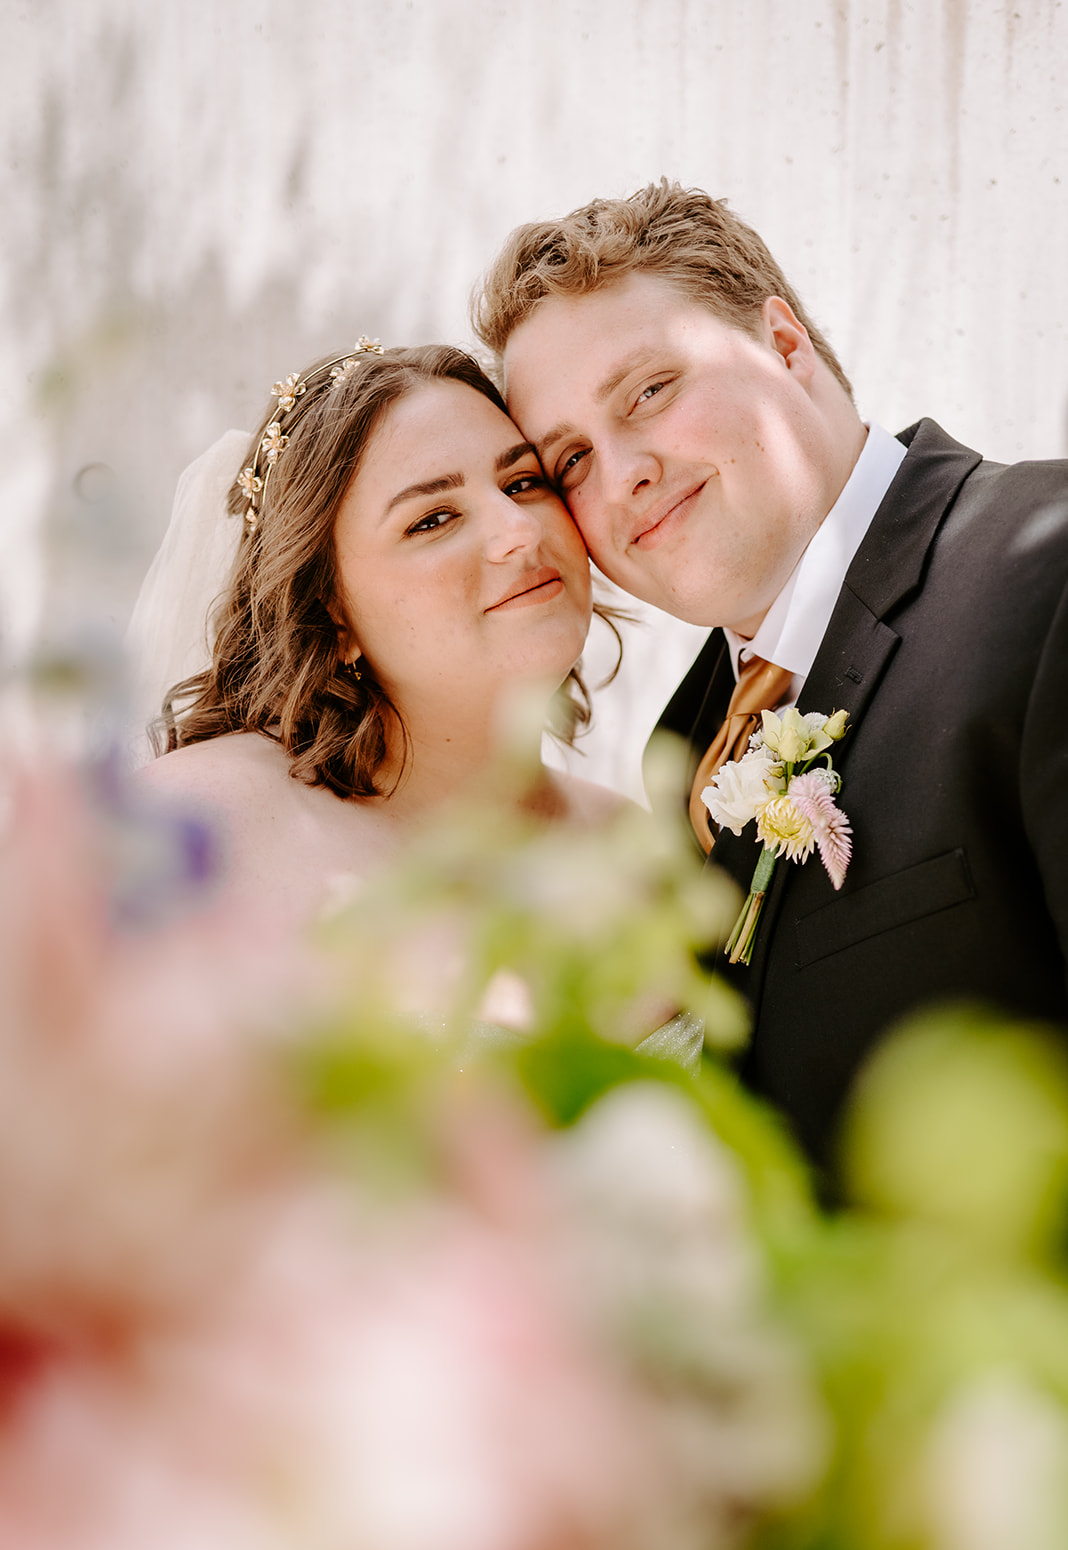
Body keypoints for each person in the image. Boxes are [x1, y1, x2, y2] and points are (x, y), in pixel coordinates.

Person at [472, 180, 1068, 1169]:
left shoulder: (1043, 573)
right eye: (570, 457)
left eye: (650, 392)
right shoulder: (685, 746)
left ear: (786, 346)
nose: (622, 474)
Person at [130, 342, 620, 939]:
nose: (518, 530)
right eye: (433, 519)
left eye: (521, 483)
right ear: (331, 614)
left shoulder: (636, 845)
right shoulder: (201, 826)